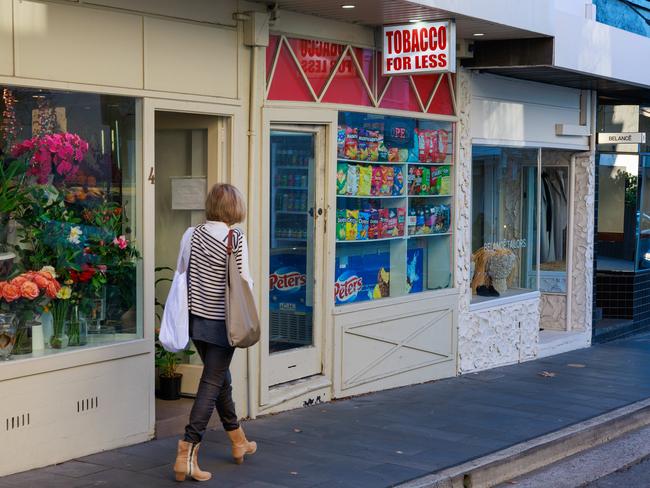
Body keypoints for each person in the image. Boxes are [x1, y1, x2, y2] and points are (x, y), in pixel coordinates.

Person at [172, 183, 257, 482]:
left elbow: (181, 271)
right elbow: (245, 281)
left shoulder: (190, 234)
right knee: (211, 381)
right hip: (224, 323)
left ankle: (238, 441)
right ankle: (187, 448)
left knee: (221, 379)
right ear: (234, 208)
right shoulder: (236, 237)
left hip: (196, 321)